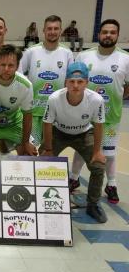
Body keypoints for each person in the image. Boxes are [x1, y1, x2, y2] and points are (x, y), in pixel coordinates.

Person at [70, 19, 129, 204]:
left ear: (117, 35)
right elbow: (75, 82)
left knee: (109, 153)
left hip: (111, 116)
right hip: (85, 115)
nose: (108, 35)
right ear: (99, 34)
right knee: (82, 149)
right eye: (105, 32)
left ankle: (111, 184)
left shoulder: (125, 59)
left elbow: (127, 87)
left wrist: (116, 98)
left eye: (112, 32)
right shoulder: (84, 57)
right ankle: (73, 178)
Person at [41, 62, 106, 222]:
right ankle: (40, 201)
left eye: (80, 82)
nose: (75, 85)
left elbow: (98, 125)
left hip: (84, 133)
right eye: (72, 81)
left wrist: (97, 151)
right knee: (41, 160)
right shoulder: (55, 98)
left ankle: (93, 204)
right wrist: (48, 149)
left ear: (87, 83)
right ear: (66, 82)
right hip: (59, 132)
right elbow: (47, 123)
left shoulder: (96, 100)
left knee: (98, 166)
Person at [19, 15, 74, 146]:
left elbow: (71, 81)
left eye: (56, 28)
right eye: (49, 28)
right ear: (43, 30)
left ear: (60, 30)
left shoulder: (67, 53)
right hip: (33, 111)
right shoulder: (31, 52)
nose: (52, 32)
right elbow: (19, 76)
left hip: (57, 113)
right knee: (30, 149)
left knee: (51, 151)